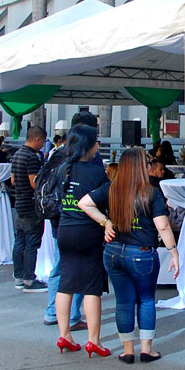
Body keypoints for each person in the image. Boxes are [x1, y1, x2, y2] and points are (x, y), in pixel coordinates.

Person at [81, 147, 179, 363]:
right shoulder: (151, 192)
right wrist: (174, 252)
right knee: (145, 300)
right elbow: (162, 226)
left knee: (123, 302)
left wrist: (105, 221)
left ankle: (127, 350)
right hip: (142, 253)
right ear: (140, 167)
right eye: (147, 163)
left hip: (114, 251)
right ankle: (146, 349)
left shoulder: (111, 189)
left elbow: (84, 203)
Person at [51, 124, 111, 357]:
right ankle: (93, 340)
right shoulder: (96, 173)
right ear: (88, 145)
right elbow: (105, 201)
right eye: (96, 142)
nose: (98, 145)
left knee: (66, 283)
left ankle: (64, 334)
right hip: (88, 233)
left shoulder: (62, 169)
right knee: (91, 288)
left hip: (64, 230)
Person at [45, 112, 101, 327]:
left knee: (62, 271)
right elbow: (99, 196)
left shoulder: (57, 157)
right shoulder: (91, 163)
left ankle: (55, 317)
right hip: (84, 226)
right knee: (85, 280)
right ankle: (77, 321)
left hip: (60, 222)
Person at [11, 125, 48, 292]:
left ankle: (18, 276)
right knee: (32, 243)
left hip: (19, 202)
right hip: (31, 205)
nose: (42, 146)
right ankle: (29, 280)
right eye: (42, 142)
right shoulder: (32, 158)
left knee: (20, 242)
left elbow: (12, 180)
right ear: (37, 139)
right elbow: (35, 183)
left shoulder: (17, 155)